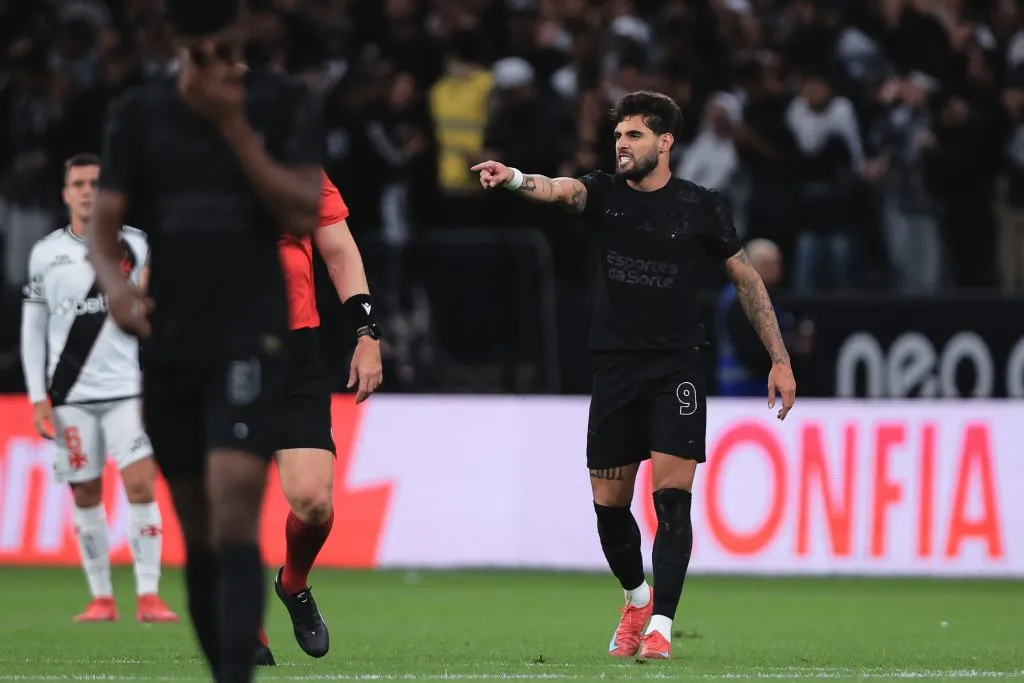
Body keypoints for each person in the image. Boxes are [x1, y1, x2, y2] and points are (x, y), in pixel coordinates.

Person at [471, 90, 797, 661]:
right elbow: (560, 190)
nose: (622, 144)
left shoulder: (701, 205)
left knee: (672, 501)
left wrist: (780, 357)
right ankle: (636, 597)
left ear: (665, 141)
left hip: (679, 366)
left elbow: (746, 280)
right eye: (618, 136)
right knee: (609, 506)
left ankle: (662, 628)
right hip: (616, 366)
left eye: (635, 135)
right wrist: (518, 177)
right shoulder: (603, 194)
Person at [86, 1, 323, 681]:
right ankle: (225, 665)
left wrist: (234, 128)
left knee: (234, 504)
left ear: (240, 38)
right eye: (201, 55)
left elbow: (303, 207)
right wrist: (118, 286)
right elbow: (105, 224)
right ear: (177, 45)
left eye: (225, 51)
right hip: (171, 335)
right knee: (199, 530)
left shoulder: (279, 103)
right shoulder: (138, 113)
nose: (216, 67)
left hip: (251, 330)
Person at [19, 153, 178, 625]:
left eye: (95, 182)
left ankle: (148, 596)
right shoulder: (46, 253)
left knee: (141, 484)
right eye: (79, 183)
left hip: (130, 389)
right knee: (86, 492)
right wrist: (35, 396)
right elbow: (33, 328)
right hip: (71, 395)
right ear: (66, 193)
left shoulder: (137, 245)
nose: (88, 190)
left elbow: (158, 310)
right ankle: (102, 598)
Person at [254, 170, 383, 666]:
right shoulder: (189, 155)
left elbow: (339, 250)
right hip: (217, 346)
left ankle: (294, 582)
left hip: (293, 350)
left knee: (313, 503)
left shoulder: (297, 161)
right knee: (228, 497)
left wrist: (367, 334)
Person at [715, 238, 814, 396]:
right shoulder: (741, 299)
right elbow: (752, 349)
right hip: (742, 391)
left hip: (767, 389)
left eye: (778, 264)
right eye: (768, 265)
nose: (776, 270)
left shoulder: (773, 297)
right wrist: (793, 348)